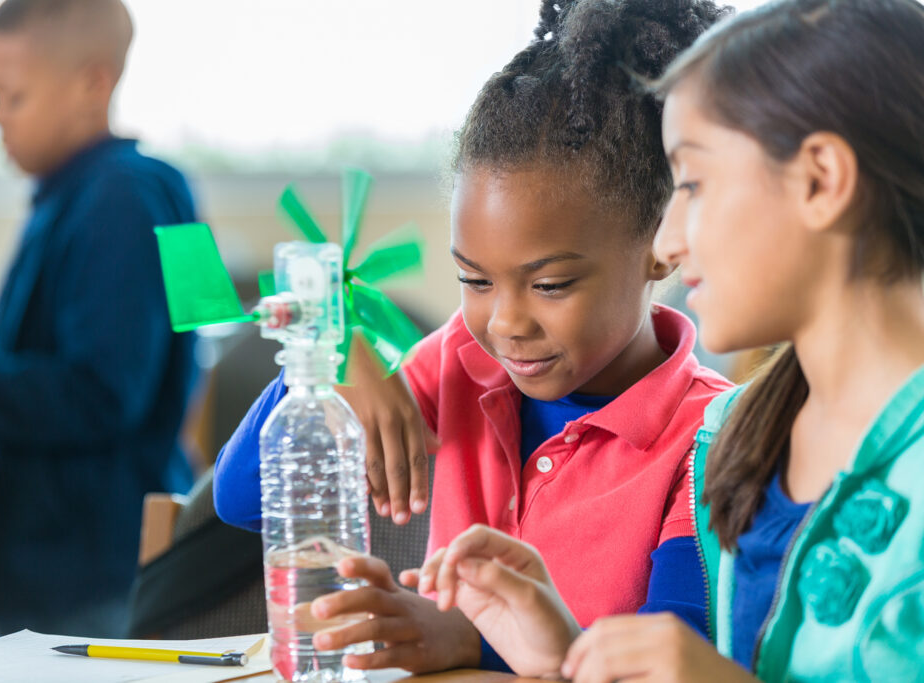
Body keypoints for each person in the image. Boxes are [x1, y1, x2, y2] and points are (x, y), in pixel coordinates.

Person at [214, 0, 731, 674]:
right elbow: (240, 498)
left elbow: (671, 656)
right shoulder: (463, 361)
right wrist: (324, 369)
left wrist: (470, 638)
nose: (507, 323)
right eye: (474, 279)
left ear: (661, 244)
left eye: (549, 285)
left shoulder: (709, 437)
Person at [419, 0, 924, 680]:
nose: (666, 239)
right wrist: (566, 656)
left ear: (820, 180)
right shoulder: (736, 437)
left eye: (692, 183)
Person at [0, 0, 198, 636]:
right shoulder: (140, 188)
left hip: (88, 573)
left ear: (94, 82)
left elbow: (102, 392)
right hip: (82, 556)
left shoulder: (119, 199)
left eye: (14, 97)